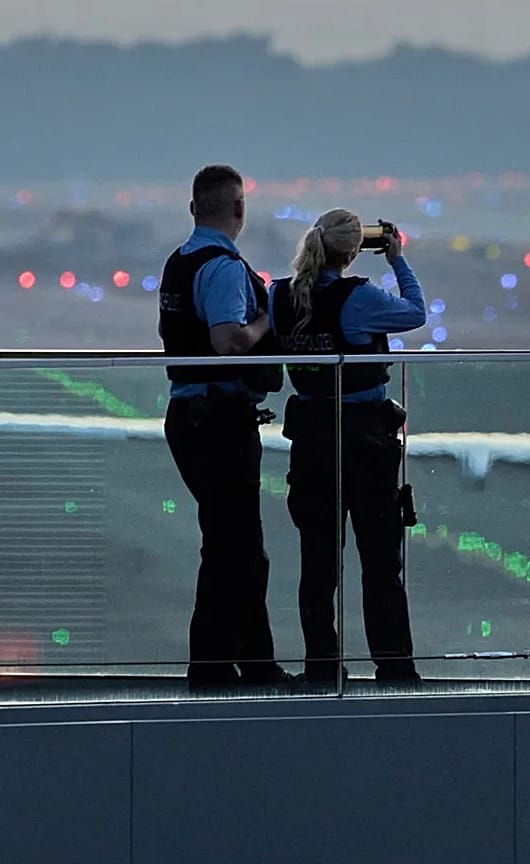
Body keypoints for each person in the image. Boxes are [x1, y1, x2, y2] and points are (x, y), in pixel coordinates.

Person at [270, 208, 425, 684]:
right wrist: (398, 260)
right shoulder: (358, 298)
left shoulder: (280, 296)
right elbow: (415, 313)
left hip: (311, 436)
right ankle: (394, 665)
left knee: (317, 561)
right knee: (380, 561)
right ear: (355, 250)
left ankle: (321, 665)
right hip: (364, 439)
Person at [157, 164, 291, 689]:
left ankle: (249, 661)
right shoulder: (225, 268)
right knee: (233, 548)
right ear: (238, 210)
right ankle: (215, 668)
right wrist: (269, 319)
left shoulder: (179, 263)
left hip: (188, 415)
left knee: (235, 544)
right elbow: (228, 341)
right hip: (219, 418)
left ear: (194, 209)